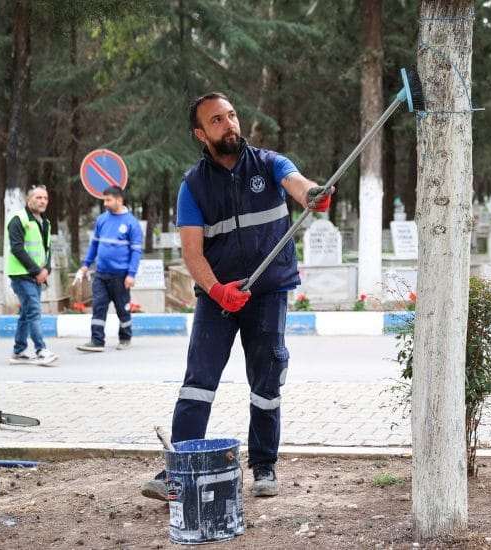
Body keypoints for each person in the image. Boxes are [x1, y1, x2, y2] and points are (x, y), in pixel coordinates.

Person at [140, 92, 332, 501]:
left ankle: (264, 466)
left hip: (267, 292)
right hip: (218, 297)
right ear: (200, 133)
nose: (229, 125)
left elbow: (299, 184)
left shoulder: (269, 163)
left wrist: (314, 193)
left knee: (266, 381)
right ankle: (179, 471)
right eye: (216, 121)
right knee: (198, 383)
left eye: (231, 116)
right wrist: (216, 290)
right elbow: (192, 253)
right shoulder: (192, 187)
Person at [76, 186, 143, 352]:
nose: (105, 203)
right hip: (101, 274)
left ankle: (125, 338)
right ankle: (97, 340)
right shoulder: (102, 220)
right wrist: (85, 265)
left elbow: (136, 251)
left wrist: (131, 274)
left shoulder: (131, 223)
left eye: (108, 200)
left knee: (123, 309)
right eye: (104, 200)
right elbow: (94, 245)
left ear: (119, 200)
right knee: (98, 306)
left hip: (121, 276)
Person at [5, 186, 58, 366]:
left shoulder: (45, 222)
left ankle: (19, 352)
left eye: (45, 198)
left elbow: (47, 250)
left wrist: (46, 270)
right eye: (38, 197)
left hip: (36, 276)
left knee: (26, 314)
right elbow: (17, 248)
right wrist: (37, 271)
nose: (43, 201)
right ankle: (41, 350)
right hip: (21, 275)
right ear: (29, 200)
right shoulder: (19, 219)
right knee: (34, 312)